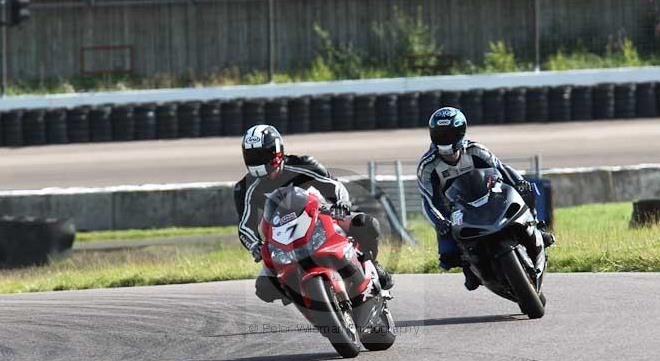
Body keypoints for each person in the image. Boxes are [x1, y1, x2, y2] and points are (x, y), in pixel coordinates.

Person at [234, 124, 392, 302]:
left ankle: (372, 264)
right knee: (264, 288)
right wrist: (255, 245)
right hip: (284, 239)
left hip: (322, 219)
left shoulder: (304, 164)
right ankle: (309, 302)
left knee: (366, 224)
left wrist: (340, 204)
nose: (257, 161)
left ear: (276, 151)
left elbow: (335, 186)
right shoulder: (244, 188)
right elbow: (245, 225)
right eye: (252, 156)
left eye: (262, 155)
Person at [417, 107, 554, 291]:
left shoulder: (475, 150)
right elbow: (428, 200)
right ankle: (470, 267)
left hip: (490, 197)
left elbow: (502, 169)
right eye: (440, 133)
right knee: (448, 256)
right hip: (457, 210)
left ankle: (535, 226)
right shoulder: (427, 166)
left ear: (461, 132)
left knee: (526, 191)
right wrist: (441, 221)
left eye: (450, 133)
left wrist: (520, 183)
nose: (445, 138)